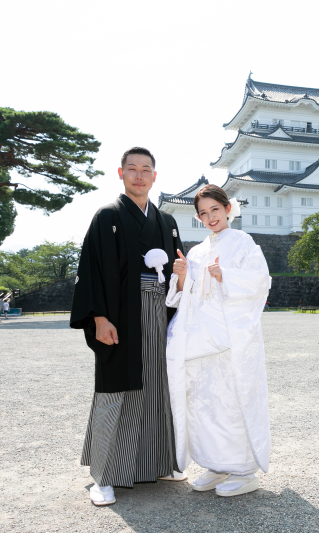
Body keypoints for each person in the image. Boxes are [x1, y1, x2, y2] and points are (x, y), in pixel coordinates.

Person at [70, 147, 184, 507]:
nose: (139, 175)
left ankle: (158, 463)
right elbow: (91, 270)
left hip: (160, 311)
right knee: (115, 388)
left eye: (145, 169)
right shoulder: (107, 216)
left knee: (157, 387)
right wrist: (99, 318)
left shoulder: (167, 221)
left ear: (155, 176)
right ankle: (104, 476)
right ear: (120, 174)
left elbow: (180, 267)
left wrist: (183, 275)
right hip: (120, 313)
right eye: (131, 169)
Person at [165, 184, 271, 498]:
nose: (210, 217)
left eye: (215, 209)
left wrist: (226, 275)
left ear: (227, 209)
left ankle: (242, 468)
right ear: (197, 217)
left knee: (232, 401)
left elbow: (259, 281)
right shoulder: (197, 251)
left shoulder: (243, 242)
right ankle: (214, 463)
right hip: (200, 336)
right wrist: (182, 274)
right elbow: (185, 295)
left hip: (230, 337)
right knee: (203, 402)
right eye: (203, 213)